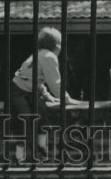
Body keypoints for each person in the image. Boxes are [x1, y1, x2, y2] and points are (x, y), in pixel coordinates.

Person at [10, 26, 78, 162]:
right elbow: (55, 83)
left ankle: (40, 144)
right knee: (26, 118)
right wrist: (66, 99)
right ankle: (21, 150)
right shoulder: (50, 57)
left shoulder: (39, 53)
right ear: (57, 45)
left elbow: (36, 79)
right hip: (17, 90)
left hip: (29, 90)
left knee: (41, 110)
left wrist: (46, 95)